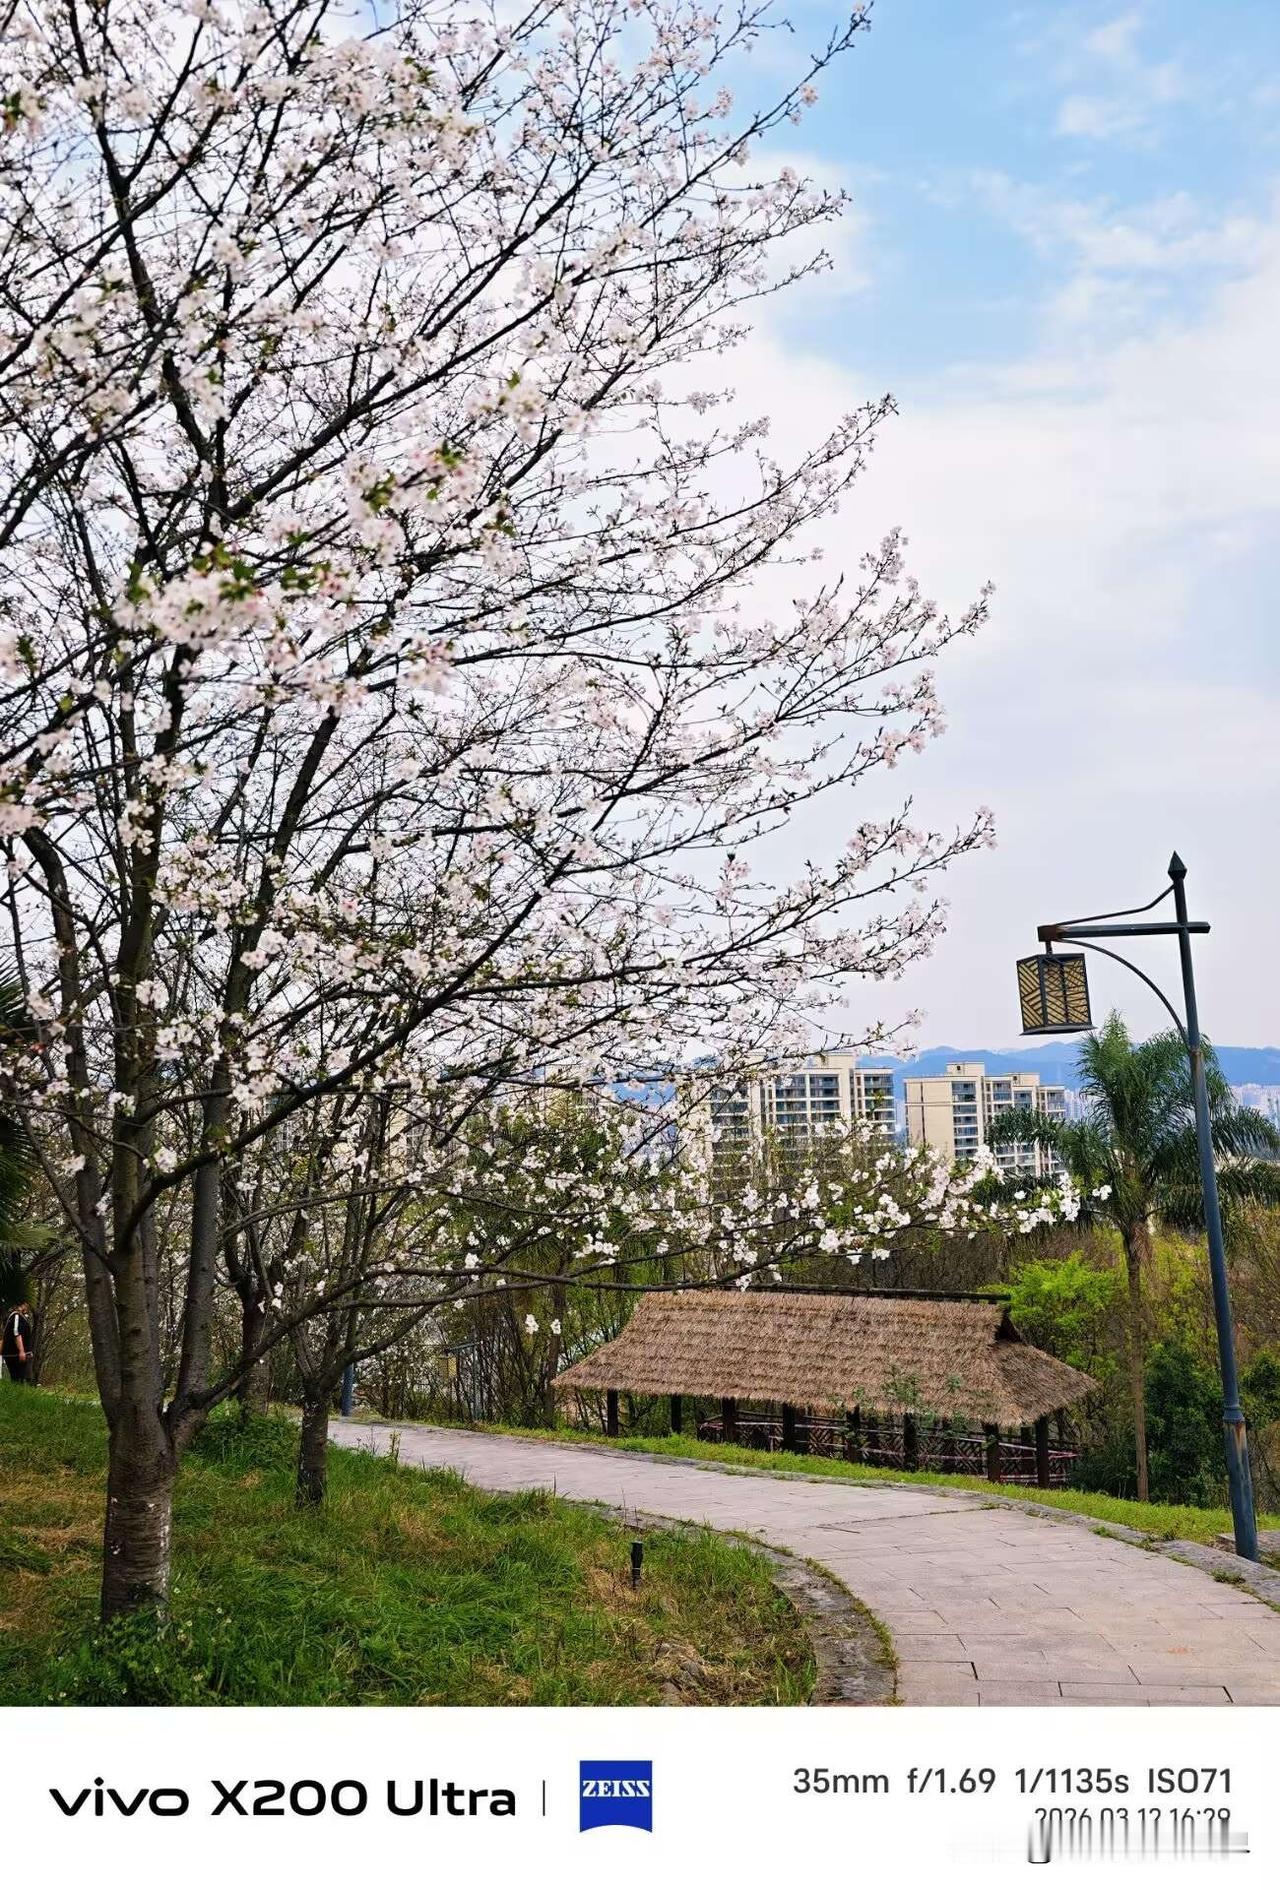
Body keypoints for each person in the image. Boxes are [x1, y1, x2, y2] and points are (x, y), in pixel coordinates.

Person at [1, 1301, 33, 1383]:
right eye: (27, 1305)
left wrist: (28, 1352)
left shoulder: (19, 1317)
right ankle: (16, 1395)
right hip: (15, 1354)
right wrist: (21, 1351)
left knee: (19, 1379)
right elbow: (16, 1333)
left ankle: (17, 1394)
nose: (28, 1307)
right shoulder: (16, 1316)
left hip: (19, 1354)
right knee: (18, 1379)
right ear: (23, 1304)